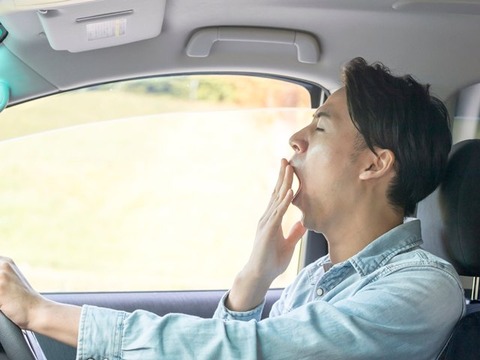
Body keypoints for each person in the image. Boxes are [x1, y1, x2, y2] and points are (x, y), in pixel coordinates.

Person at [0, 57, 465, 359]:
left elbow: (252, 350)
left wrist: (41, 313)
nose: (295, 140)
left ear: (374, 164)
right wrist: (253, 279)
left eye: (320, 129)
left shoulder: (422, 289)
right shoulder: (319, 277)